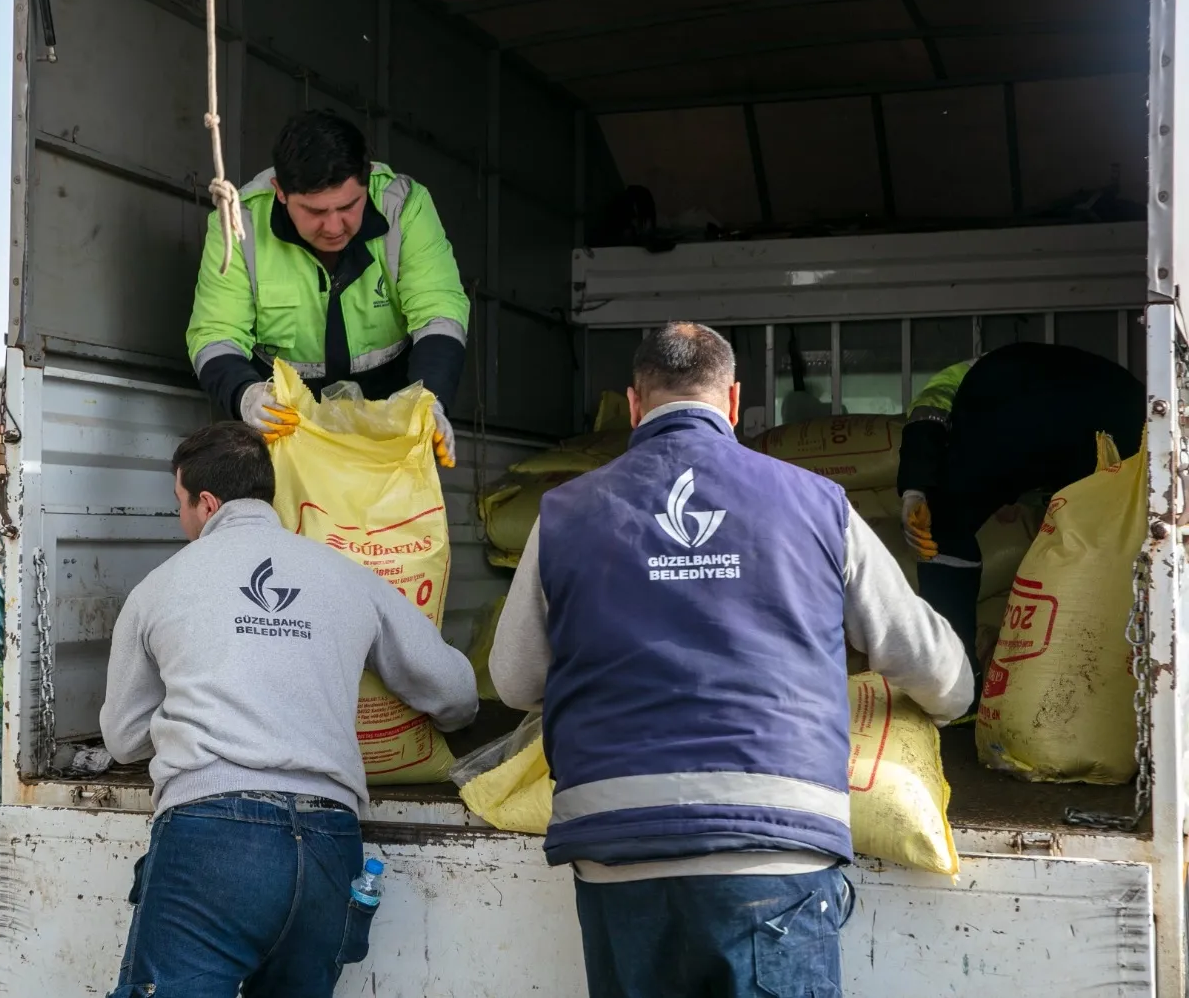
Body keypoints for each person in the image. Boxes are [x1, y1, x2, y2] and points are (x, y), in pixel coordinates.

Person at [488, 322, 972, 998]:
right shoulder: (818, 503)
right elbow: (935, 668)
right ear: (735, 401)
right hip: (774, 845)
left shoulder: (563, 513)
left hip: (616, 844)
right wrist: (954, 701)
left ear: (634, 404)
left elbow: (514, 683)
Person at [100, 421, 478, 997]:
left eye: (180, 503)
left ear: (207, 503)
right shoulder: (349, 577)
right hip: (330, 842)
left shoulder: (159, 586)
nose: (181, 518)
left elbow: (124, 740)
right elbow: (456, 693)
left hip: (211, 837)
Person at [186, 109, 469, 466]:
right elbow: (215, 333)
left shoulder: (403, 205)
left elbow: (439, 312)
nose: (334, 227)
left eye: (349, 206)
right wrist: (246, 394)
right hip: (284, 420)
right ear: (280, 192)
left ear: (367, 179)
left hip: (389, 410)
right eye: (315, 211)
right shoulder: (239, 224)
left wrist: (431, 401)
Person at [898, 341, 1146, 678]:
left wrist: (915, 489)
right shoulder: (1086, 367)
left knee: (944, 529)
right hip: (1126, 413)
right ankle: (1125, 669)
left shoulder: (960, 378)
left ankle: (954, 681)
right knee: (1118, 538)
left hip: (1012, 406)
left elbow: (926, 419)